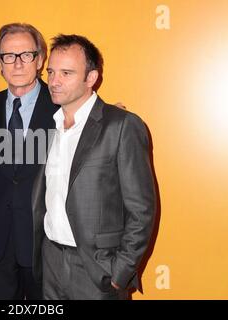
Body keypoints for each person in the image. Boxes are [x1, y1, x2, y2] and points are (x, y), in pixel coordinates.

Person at [31, 34, 156, 300]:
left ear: (91, 78)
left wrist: (119, 272)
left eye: (66, 73)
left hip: (97, 269)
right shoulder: (49, 127)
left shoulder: (121, 126)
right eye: (51, 72)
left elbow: (142, 210)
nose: (54, 81)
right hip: (50, 260)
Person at [0, 23, 58, 299]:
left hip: (45, 240)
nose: (17, 63)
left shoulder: (62, 104)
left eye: (25, 54)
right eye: (8, 56)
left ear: (39, 59)